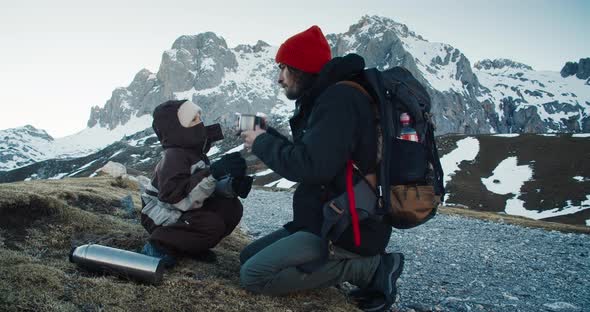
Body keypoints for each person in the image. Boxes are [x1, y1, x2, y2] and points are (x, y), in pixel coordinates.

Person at [239, 26, 404, 311]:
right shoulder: (326, 98)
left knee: (254, 275)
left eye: (283, 68)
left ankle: (370, 269)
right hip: (324, 218)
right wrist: (266, 135)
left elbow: (311, 168)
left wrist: (262, 142)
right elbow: (315, 155)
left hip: (347, 228)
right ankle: (330, 267)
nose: (279, 78)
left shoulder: (339, 100)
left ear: (301, 68)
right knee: (248, 256)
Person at [140, 99, 252, 266]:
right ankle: (159, 246)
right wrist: (213, 172)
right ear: (177, 129)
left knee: (232, 208)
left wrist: (231, 186)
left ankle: (190, 247)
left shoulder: (194, 152)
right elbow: (175, 199)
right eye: (193, 120)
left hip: (177, 209)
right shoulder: (174, 156)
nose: (200, 123)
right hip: (158, 213)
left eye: (199, 117)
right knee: (209, 224)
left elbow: (201, 190)